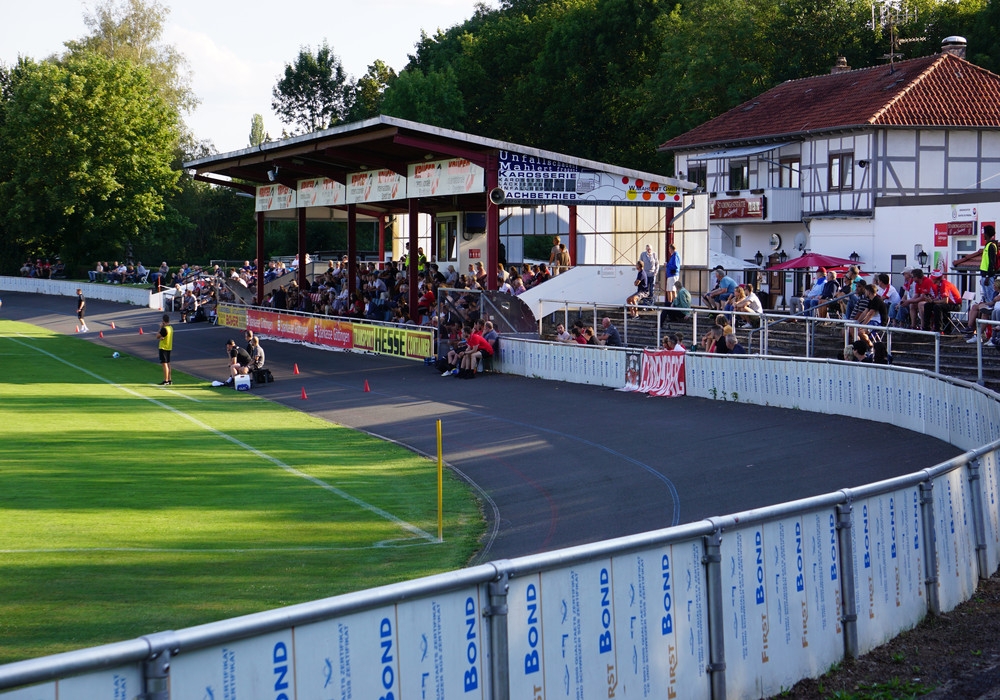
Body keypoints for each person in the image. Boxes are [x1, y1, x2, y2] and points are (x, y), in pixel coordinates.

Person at [981, 224, 998, 304]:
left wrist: (987, 276)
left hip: (989, 276)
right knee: (987, 298)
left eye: (984, 233)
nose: (983, 235)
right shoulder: (987, 245)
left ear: (987, 234)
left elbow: (992, 261)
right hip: (985, 276)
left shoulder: (991, 246)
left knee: (990, 299)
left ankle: (990, 315)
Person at [157, 314, 173, 385]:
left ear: (163, 321)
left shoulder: (164, 329)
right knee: (168, 363)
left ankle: (166, 380)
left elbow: (157, 336)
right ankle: (169, 379)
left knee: (164, 364)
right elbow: (164, 336)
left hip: (163, 347)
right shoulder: (171, 328)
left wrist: (160, 328)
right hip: (169, 346)